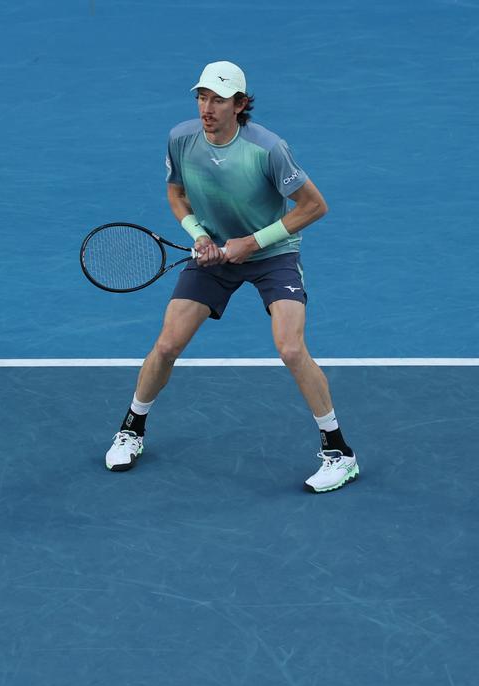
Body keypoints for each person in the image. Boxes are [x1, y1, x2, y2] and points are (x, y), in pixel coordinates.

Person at [103, 60, 359, 493]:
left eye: (219, 99)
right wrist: (199, 235)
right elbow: (176, 192)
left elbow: (314, 206)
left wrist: (253, 243)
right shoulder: (181, 139)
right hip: (214, 253)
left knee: (291, 348)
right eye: (202, 97)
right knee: (167, 344)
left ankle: (340, 453)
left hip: (272, 253)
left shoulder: (269, 149)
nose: (207, 107)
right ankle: (132, 428)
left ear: (240, 105)